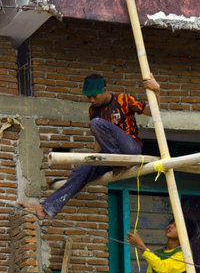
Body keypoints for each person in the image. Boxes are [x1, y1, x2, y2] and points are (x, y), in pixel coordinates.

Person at [20, 73, 160, 219]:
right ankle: (47, 207)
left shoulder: (123, 99)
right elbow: (100, 139)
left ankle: (117, 162)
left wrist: (157, 91)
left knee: (96, 123)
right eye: (89, 97)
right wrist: (93, 162)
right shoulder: (93, 110)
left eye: (94, 96)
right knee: (80, 171)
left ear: (104, 89)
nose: (92, 100)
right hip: (111, 155)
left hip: (131, 148)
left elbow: (154, 112)